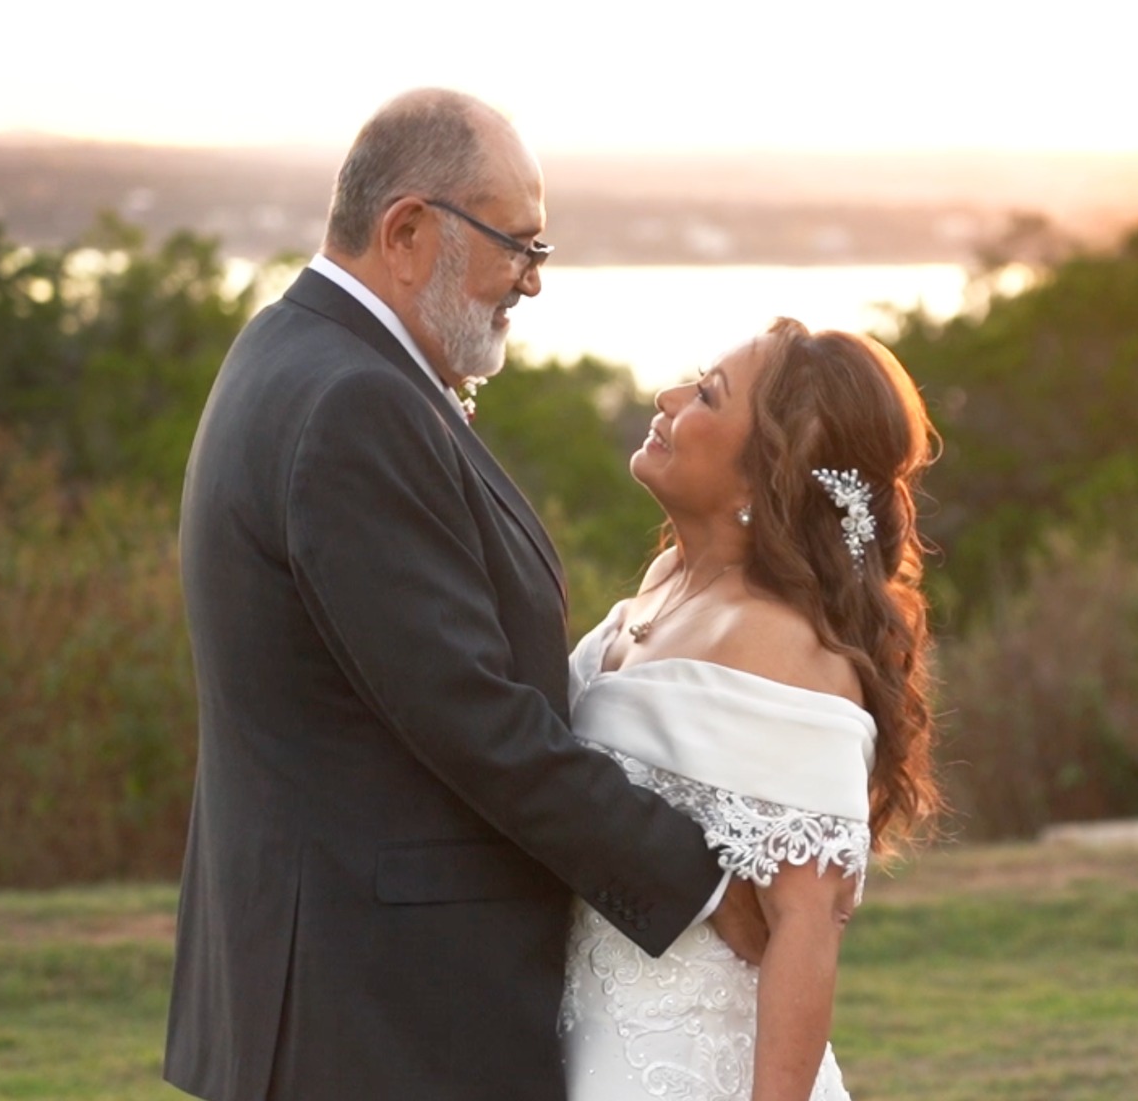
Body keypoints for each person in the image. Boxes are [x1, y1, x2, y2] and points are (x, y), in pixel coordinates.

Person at [164, 89, 763, 1101]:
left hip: (328, 989)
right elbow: (472, 716)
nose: (532, 280)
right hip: (374, 1014)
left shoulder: (289, 350)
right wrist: (701, 879)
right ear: (407, 231)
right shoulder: (354, 402)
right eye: (519, 245)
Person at [558, 317, 942, 1101]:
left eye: (706, 395)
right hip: (588, 1040)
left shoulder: (782, 644)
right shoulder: (665, 579)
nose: (665, 399)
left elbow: (809, 923)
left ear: (759, 478)